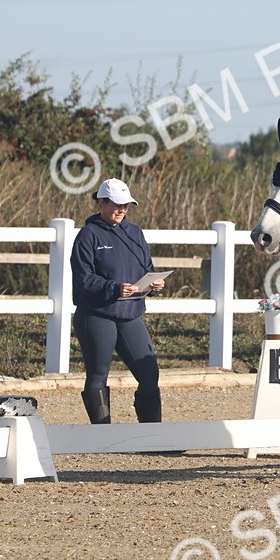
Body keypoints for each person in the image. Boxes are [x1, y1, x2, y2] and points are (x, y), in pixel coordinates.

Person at [70, 178, 166, 424]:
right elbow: (84, 279)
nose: (122, 210)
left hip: (130, 313)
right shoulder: (88, 235)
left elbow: (147, 267)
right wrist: (113, 288)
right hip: (97, 314)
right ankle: (102, 434)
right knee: (98, 373)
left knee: (149, 374)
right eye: (116, 204)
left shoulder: (135, 233)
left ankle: (152, 433)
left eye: (126, 205)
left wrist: (153, 285)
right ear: (101, 202)